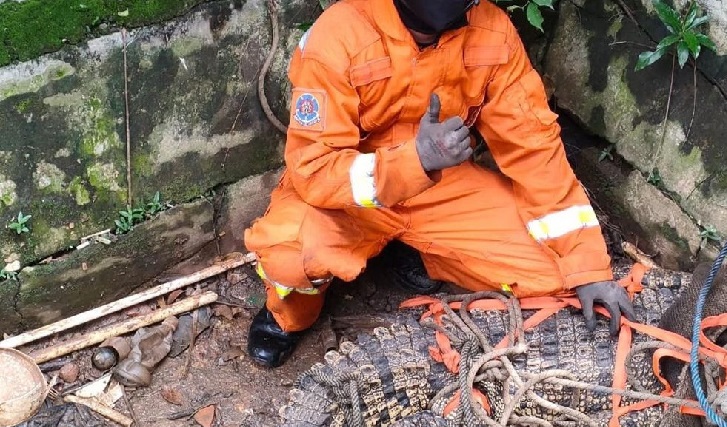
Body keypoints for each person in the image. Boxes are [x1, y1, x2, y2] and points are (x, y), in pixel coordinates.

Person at [243, 0, 635, 367]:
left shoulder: (491, 32)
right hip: (349, 191)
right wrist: (414, 160)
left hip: (440, 187)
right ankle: (286, 316)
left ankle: (415, 252)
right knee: (289, 256)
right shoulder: (341, 33)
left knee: (553, 274)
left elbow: (534, 148)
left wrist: (587, 267)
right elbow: (314, 168)